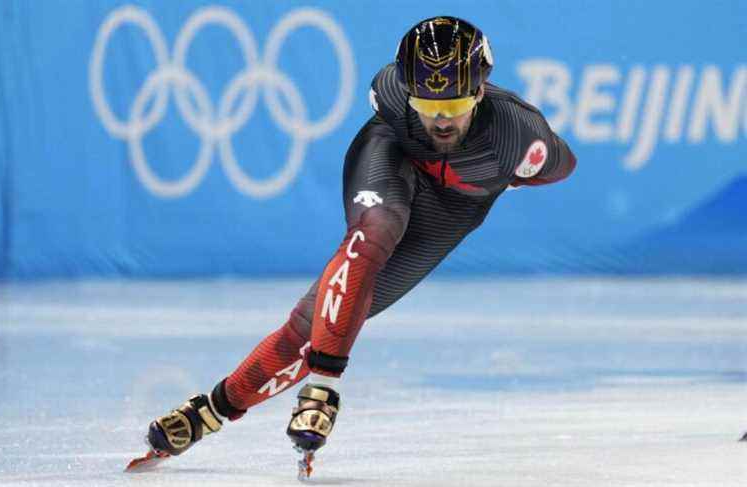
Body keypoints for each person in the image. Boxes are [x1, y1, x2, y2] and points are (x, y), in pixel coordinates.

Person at [126, 16, 577, 477]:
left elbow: (561, 167)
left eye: (455, 104)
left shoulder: (520, 135)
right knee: (375, 228)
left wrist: (509, 179)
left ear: (480, 92)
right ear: (408, 92)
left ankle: (210, 411)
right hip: (392, 158)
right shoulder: (389, 91)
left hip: (451, 212)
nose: (441, 119)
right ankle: (323, 387)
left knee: (317, 322)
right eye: (427, 103)